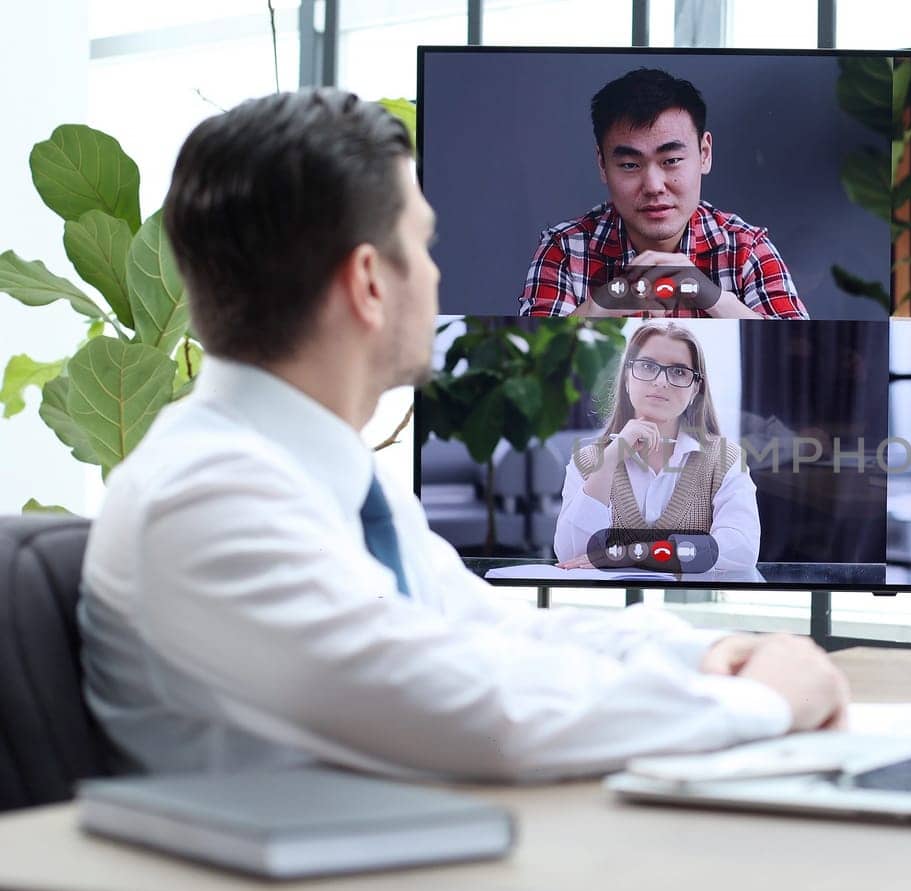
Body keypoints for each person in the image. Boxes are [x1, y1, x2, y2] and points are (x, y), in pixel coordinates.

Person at [78, 88, 847, 782]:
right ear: (371, 282)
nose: (439, 279)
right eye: (424, 245)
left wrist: (706, 656)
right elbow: (485, 722)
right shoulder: (212, 498)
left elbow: (492, 628)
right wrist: (763, 706)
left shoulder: (336, 477)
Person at [519, 68, 807, 320]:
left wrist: (709, 294)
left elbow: (796, 353)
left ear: (704, 154)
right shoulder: (565, 250)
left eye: (671, 161)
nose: (654, 185)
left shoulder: (746, 248)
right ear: (602, 165)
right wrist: (608, 300)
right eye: (630, 165)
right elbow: (536, 371)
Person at [553, 322, 758, 576]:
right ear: (627, 378)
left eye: (679, 372)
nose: (661, 382)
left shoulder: (725, 458)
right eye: (648, 367)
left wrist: (634, 554)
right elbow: (571, 556)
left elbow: (743, 549)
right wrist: (609, 460)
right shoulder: (588, 459)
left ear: (695, 389)